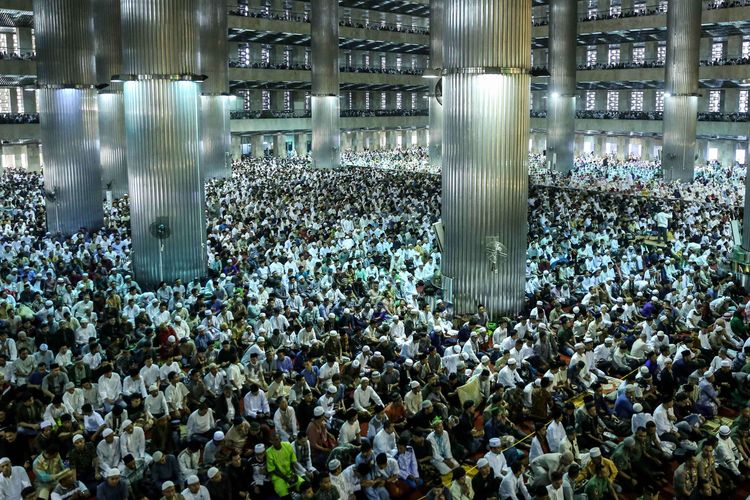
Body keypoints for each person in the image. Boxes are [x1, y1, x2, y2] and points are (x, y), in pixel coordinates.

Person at [266, 432, 304, 497]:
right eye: (273, 440)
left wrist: (293, 473)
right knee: (284, 494)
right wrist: (286, 478)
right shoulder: (269, 452)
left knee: (304, 485)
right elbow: (272, 470)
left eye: (277, 439)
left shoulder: (287, 445)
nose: (275, 442)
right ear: (270, 441)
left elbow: (293, 461)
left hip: (290, 472)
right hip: (278, 477)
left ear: (280, 439)